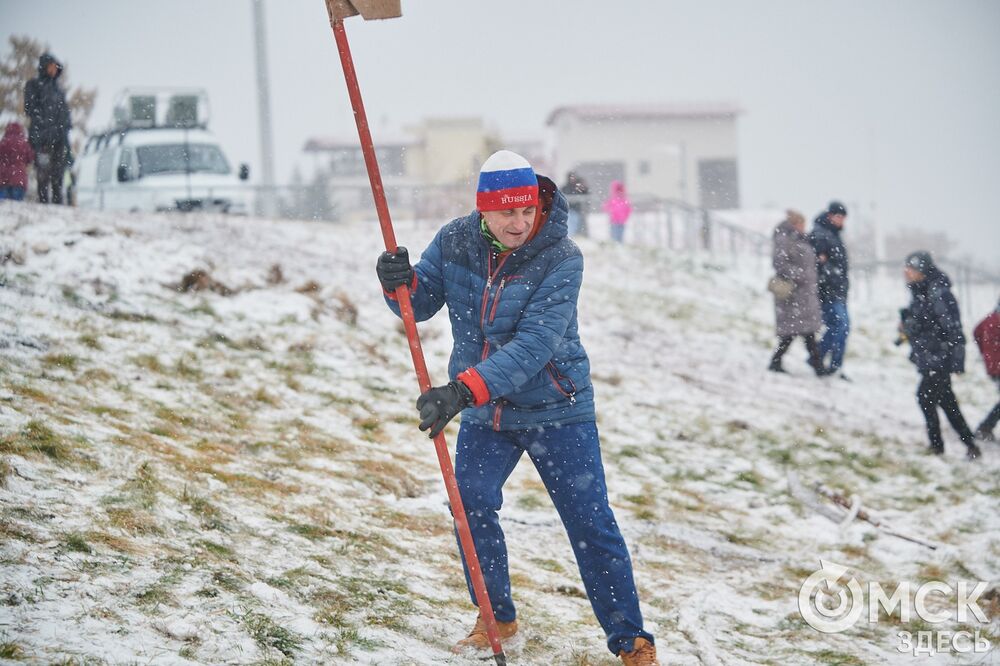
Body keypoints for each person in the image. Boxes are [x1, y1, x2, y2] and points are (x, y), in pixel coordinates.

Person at [376, 150, 659, 665]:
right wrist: (397, 280)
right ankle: (496, 619)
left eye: (527, 210)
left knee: (590, 522)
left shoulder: (562, 257)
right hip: (489, 413)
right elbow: (416, 305)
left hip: (557, 408)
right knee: (470, 505)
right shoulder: (455, 240)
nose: (520, 222)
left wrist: (461, 392)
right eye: (507, 212)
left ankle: (632, 642)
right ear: (483, 209)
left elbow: (534, 346)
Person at [900, 251, 981, 460]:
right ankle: (970, 445)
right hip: (930, 356)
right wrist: (908, 325)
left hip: (939, 357)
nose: (906, 272)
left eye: (911, 268)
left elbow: (953, 329)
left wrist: (956, 360)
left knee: (925, 397)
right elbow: (922, 322)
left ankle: (937, 446)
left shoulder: (939, 293)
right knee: (947, 402)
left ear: (922, 270)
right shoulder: (920, 291)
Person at [768, 210, 824, 374]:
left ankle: (778, 362)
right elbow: (780, 264)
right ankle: (817, 365)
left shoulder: (800, 239)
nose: (803, 228)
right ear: (795, 223)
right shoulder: (785, 240)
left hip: (804, 295)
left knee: (801, 332)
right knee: (801, 332)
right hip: (793, 295)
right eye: (801, 224)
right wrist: (801, 276)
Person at [809, 201, 850, 377]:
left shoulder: (833, 235)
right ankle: (818, 357)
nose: (841, 221)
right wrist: (830, 276)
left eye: (843, 218)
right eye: (838, 217)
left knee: (843, 326)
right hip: (827, 292)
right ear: (829, 216)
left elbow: (833, 263)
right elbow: (817, 265)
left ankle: (834, 364)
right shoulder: (820, 235)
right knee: (840, 325)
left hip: (837, 291)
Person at [24, 52, 71, 205]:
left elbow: (64, 113)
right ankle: (43, 204)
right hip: (41, 138)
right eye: (51, 66)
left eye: (55, 67)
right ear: (44, 67)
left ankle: (58, 204)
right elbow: (30, 108)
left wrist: (65, 129)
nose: (53, 70)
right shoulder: (34, 85)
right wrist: (44, 126)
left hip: (59, 139)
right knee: (43, 175)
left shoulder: (59, 90)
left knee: (58, 174)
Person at [972, 299, 1000, 442]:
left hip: (993, 368)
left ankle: (985, 428)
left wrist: (986, 353)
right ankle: (985, 428)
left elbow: (976, 332)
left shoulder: (990, 318)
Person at [0, 122, 34, 201]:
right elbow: (30, 157)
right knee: (17, 205)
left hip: (3, 178)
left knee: (2, 206)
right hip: (19, 179)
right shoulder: (23, 142)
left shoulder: (3, 142)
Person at [562, 170, 590, 237]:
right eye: (571, 177)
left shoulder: (578, 187)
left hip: (578, 210)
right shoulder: (565, 187)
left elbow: (586, 194)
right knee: (571, 225)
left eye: (574, 177)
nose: (573, 179)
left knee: (578, 224)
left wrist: (584, 188)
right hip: (568, 210)